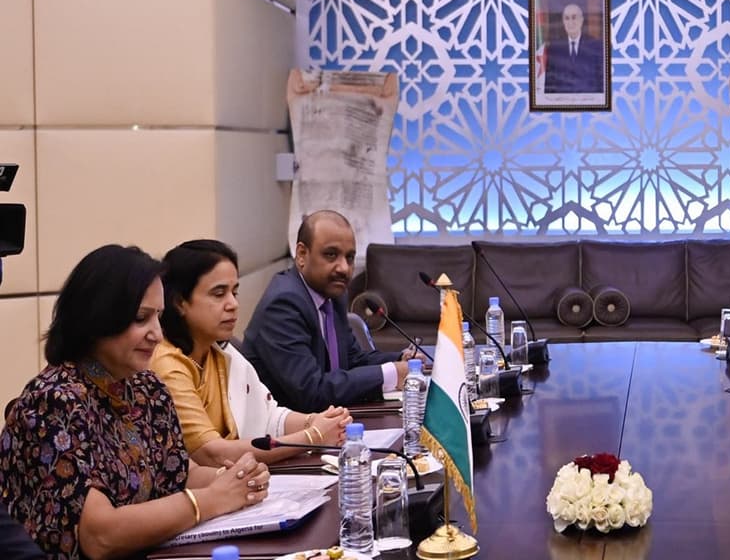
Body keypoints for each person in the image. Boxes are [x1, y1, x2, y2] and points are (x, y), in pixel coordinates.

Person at [0, 244, 268, 559]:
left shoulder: (146, 388)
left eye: (159, 317)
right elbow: (100, 535)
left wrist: (237, 479)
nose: (157, 334)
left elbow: (178, 474)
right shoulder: (52, 402)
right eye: (142, 318)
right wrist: (211, 499)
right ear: (97, 318)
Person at [152, 239, 353, 466]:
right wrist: (313, 436)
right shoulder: (167, 364)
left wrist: (318, 421)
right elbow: (211, 453)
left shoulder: (220, 351)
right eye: (219, 294)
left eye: (234, 293)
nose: (232, 304)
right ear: (180, 302)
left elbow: (268, 417)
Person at [243, 210, 420, 412]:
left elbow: (352, 360)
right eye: (331, 255)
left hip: (327, 419)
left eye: (349, 257)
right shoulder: (283, 305)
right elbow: (312, 391)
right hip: (289, 425)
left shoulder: (332, 295)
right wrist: (391, 373)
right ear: (301, 255)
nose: (343, 268)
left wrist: (399, 360)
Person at [544, 2, 605, 94]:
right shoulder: (554, 48)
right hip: (562, 101)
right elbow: (549, 83)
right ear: (563, 22)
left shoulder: (595, 46)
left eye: (574, 17)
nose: (570, 22)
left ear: (581, 20)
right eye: (567, 18)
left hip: (589, 100)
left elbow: (602, 81)